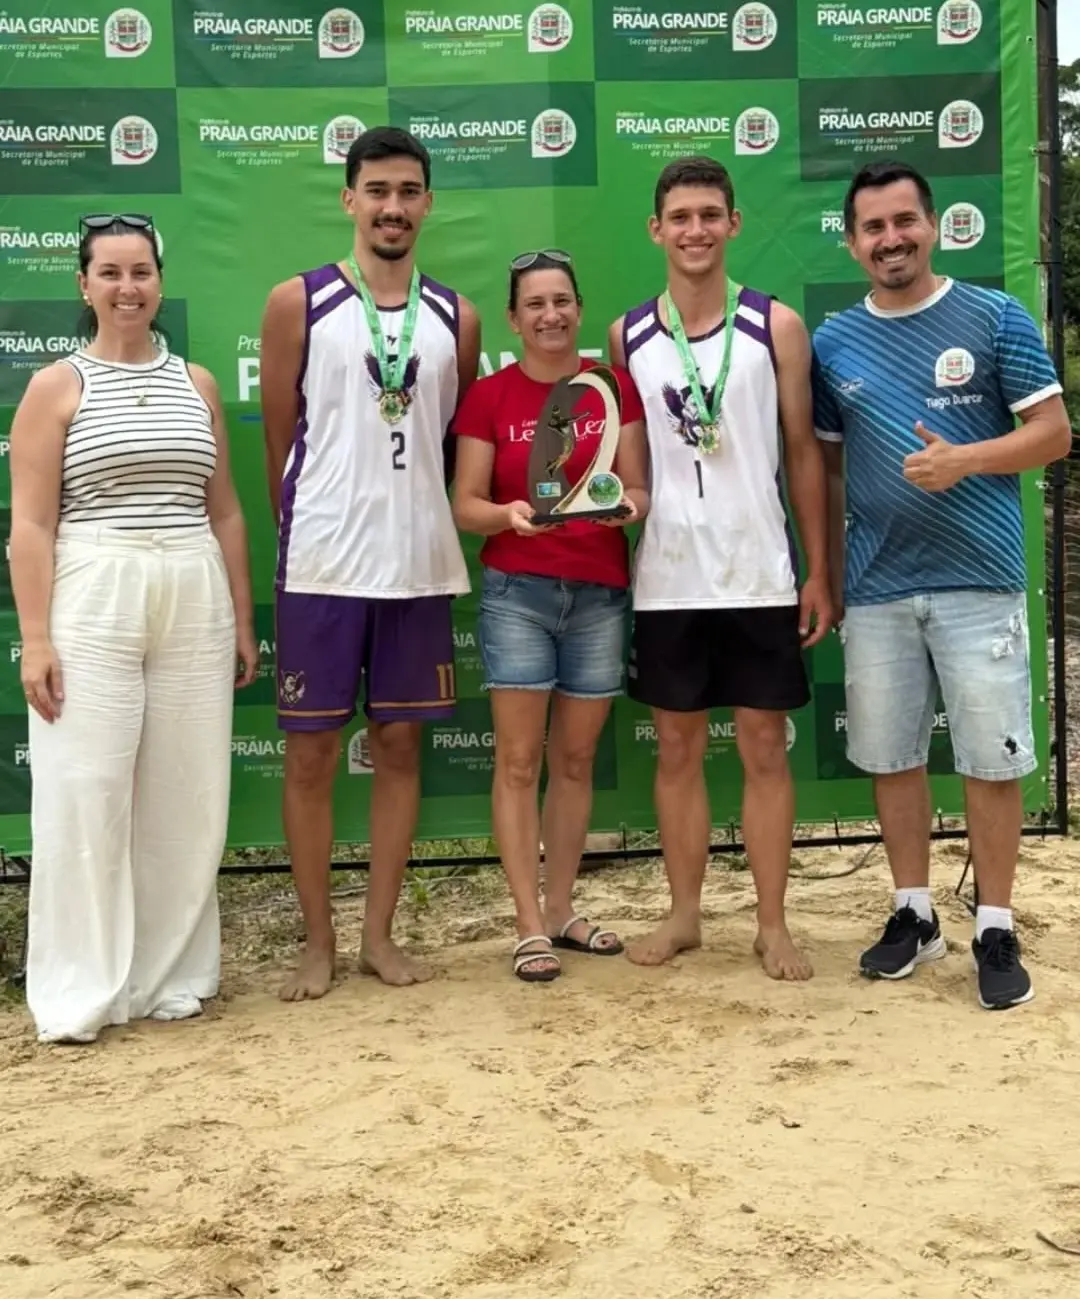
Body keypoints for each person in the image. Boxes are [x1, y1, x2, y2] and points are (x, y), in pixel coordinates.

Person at [811, 160, 1071, 1010]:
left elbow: (1054, 433)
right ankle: (913, 912)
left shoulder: (994, 315)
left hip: (980, 581)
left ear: (934, 225)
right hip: (879, 586)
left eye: (903, 221)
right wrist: (834, 570)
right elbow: (830, 466)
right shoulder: (834, 340)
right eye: (873, 227)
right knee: (893, 756)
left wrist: (967, 459)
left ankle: (995, 922)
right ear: (852, 243)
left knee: (991, 759)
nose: (891, 239)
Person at [9, 213, 257, 1045]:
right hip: (94, 585)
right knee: (87, 792)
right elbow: (32, 526)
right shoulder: (55, 386)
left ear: (160, 282)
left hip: (193, 586)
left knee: (186, 794)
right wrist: (35, 639)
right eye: (109, 273)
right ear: (84, 285)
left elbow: (224, 510)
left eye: (141, 272)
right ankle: (83, 988)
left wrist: (243, 618)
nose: (127, 288)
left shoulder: (199, 382)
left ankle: (170, 977)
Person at [259, 126, 482, 999]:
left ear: (428, 203)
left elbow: (447, 442)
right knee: (310, 758)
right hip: (319, 565)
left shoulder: (453, 317)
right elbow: (285, 436)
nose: (394, 207)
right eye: (377, 190)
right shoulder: (297, 302)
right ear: (349, 199)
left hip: (418, 566)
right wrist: (322, 513)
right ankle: (317, 941)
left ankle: (377, 937)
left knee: (398, 749)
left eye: (410, 191)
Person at [609, 156, 833, 980]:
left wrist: (817, 570)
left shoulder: (775, 326)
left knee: (765, 748)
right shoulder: (626, 336)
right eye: (680, 215)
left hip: (759, 571)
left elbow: (804, 454)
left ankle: (772, 923)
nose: (695, 228)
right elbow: (628, 467)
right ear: (656, 229)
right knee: (675, 749)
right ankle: (685, 914)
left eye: (711, 213)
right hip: (668, 576)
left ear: (734, 224)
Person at [451, 250, 650, 982]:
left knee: (572, 762)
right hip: (516, 593)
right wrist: (506, 514)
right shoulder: (488, 397)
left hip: (598, 591)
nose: (551, 315)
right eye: (534, 304)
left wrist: (627, 507)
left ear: (578, 306)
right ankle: (527, 924)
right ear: (513, 318)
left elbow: (639, 491)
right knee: (519, 761)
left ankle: (562, 909)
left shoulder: (610, 385)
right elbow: (464, 505)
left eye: (562, 300)